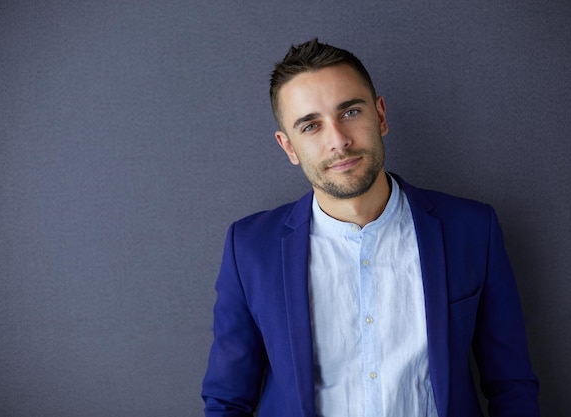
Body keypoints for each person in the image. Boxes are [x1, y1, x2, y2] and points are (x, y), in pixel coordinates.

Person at [201, 38, 540, 417]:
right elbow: (227, 401)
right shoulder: (248, 249)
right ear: (289, 147)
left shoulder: (473, 231)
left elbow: (511, 386)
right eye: (311, 126)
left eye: (349, 112)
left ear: (380, 115)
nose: (338, 141)